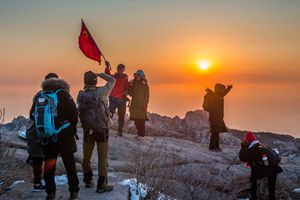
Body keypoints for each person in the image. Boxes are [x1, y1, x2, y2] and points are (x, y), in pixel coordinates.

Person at [30, 73, 79, 200]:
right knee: (70, 166)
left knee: (49, 166)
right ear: (59, 81)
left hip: (47, 137)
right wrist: (68, 127)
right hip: (65, 137)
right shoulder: (64, 94)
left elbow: (32, 115)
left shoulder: (40, 95)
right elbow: (74, 115)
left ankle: (50, 193)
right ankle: (73, 193)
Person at [77, 71, 115, 193]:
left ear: (85, 81)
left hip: (88, 130)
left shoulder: (81, 95)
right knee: (102, 158)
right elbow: (112, 80)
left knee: (86, 157)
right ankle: (101, 185)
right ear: (95, 81)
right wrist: (100, 74)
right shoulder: (101, 93)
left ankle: (88, 180)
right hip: (102, 130)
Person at [239, 132, 283, 200]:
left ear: (248, 140)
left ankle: (254, 198)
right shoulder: (261, 145)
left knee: (253, 181)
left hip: (266, 170)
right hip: (274, 168)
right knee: (271, 189)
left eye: (246, 140)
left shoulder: (253, 149)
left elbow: (242, 158)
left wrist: (243, 147)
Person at [203, 83, 232, 152]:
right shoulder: (212, 95)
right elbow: (205, 106)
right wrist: (212, 111)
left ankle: (216, 147)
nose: (223, 91)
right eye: (222, 89)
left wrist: (228, 89)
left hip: (218, 117)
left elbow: (224, 93)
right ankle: (213, 147)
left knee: (216, 132)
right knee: (214, 132)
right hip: (214, 117)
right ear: (218, 89)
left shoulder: (219, 95)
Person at [104, 61, 129, 136]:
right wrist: (107, 67)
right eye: (119, 69)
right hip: (113, 99)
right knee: (110, 115)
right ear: (117, 69)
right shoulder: (114, 77)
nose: (120, 70)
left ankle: (120, 131)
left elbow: (127, 87)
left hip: (122, 99)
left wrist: (126, 92)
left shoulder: (126, 78)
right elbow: (107, 75)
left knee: (121, 116)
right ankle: (106, 128)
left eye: (121, 69)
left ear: (124, 70)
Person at [128, 70, 149, 140]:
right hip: (134, 104)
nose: (138, 76)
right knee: (136, 119)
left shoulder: (144, 84)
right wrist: (130, 85)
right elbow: (131, 94)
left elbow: (146, 96)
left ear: (142, 76)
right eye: (137, 75)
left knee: (141, 120)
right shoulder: (133, 82)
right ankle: (139, 134)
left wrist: (144, 105)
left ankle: (141, 135)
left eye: (139, 75)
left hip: (141, 104)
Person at [26, 120, 45, 192]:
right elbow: (42, 139)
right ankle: (37, 184)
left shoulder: (30, 128)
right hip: (37, 151)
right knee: (38, 168)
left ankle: (37, 183)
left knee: (36, 166)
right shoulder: (37, 129)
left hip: (32, 149)